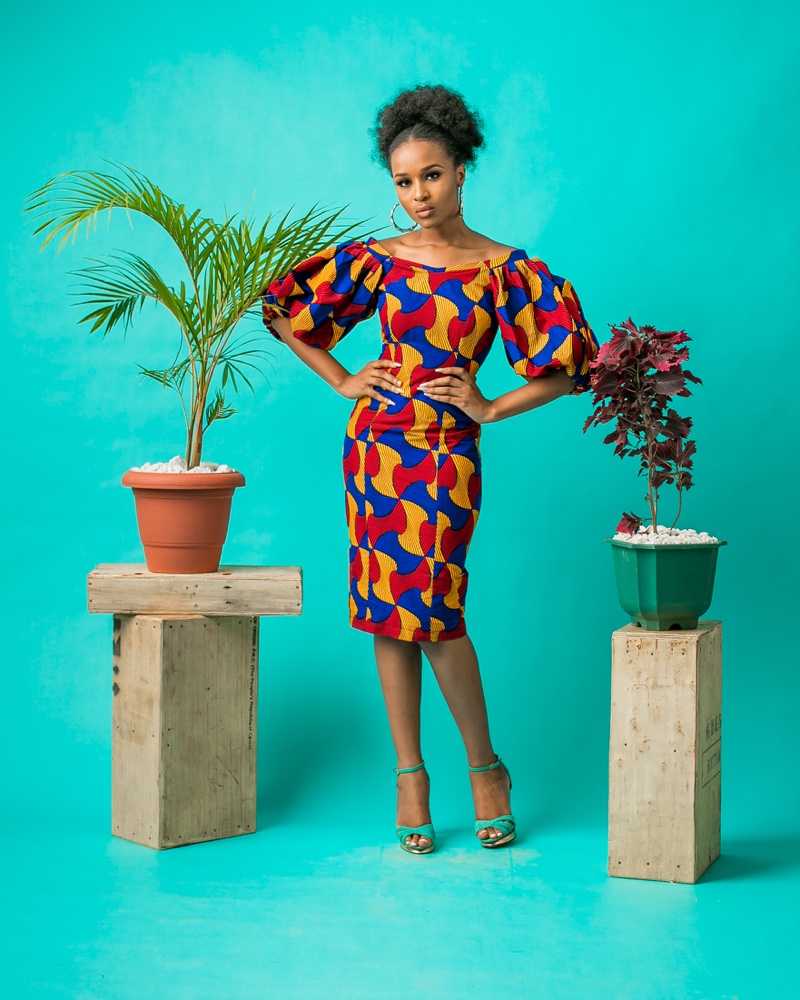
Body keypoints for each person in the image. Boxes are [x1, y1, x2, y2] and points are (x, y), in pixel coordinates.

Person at [261, 83, 598, 855]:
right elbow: (283, 309)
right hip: (375, 449)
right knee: (388, 610)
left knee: (436, 611)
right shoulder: (377, 262)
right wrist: (343, 379)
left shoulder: (505, 270)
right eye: (405, 181)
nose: (419, 194)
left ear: (461, 171)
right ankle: (409, 776)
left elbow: (569, 365)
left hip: (445, 455)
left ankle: (486, 768)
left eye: (432, 175)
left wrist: (490, 406)